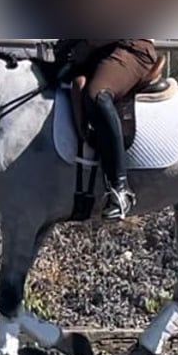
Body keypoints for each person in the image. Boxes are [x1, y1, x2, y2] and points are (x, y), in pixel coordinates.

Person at [55, 39, 158, 221]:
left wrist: (83, 46)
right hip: (101, 49)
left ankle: (120, 188)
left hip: (131, 47)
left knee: (97, 94)